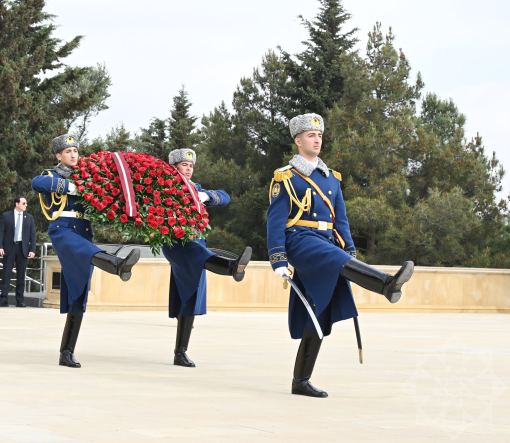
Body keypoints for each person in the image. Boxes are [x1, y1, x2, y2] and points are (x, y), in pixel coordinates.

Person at [268, 113, 415, 398]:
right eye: (311, 135)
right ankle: (386, 284)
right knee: (334, 260)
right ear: (298, 141)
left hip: (327, 243)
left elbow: (341, 220)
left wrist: (350, 251)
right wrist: (278, 259)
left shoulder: (332, 179)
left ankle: (300, 381)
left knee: (319, 313)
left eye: (319, 135)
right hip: (300, 240)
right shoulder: (285, 177)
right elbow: (274, 221)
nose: (317, 139)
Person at [32, 134, 140, 368]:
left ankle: (66, 352)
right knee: (86, 249)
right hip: (63, 229)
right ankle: (117, 264)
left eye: (75, 151)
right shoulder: (52, 175)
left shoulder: (89, 177)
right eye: (68, 151)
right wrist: (68, 187)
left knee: (78, 292)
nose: (73, 155)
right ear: (58, 156)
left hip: (83, 231)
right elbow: (37, 184)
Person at [162, 149, 252, 367]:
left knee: (189, 296)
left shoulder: (197, 190)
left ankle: (180, 352)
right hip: (176, 243)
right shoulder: (163, 188)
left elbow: (225, 197)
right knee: (200, 256)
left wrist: (206, 196)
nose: (189, 168)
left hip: (196, 244)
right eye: (184, 165)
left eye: (191, 165)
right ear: (174, 167)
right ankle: (231, 267)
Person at [0, 195, 37, 307]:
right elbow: (1, 232)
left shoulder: (29, 218)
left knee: (21, 276)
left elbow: (33, 235)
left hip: (22, 249)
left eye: (26, 203)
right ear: (17, 204)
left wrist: (32, 249)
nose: (26, 205)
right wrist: (0, 246)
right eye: (24, 203)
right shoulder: (6, 216)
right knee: (6, 274)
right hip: (9, 248)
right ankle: (3, 300)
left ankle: (20, 300)